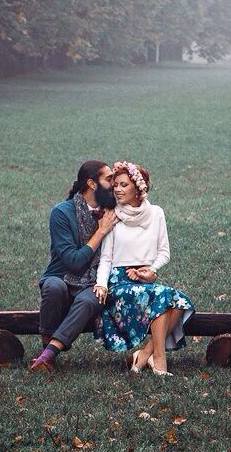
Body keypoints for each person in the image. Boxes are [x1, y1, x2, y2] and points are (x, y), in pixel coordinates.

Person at [94, 161, 194, 376]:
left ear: (139, 189)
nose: (117, 190)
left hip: (145, 281)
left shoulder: (156, 213)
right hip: (119, 284)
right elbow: (106, 259)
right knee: (163, 296)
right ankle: (159, 360)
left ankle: (145, 353)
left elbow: (164, 252)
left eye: (124, 185)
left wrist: (151, 270)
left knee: (180, 301)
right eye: (116, 185)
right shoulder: (112, 215)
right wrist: (101, 284)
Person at [28, 160, 119, 372]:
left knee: (91, 299)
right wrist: (100, 231)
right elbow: (74, 262)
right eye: (109, 179)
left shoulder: (113, 212)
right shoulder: (61, 212)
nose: (114, 184)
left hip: (93, 282)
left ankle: (47, 356)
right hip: (61, 275)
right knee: (53, 287)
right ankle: (45, 345)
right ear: (92, 183)